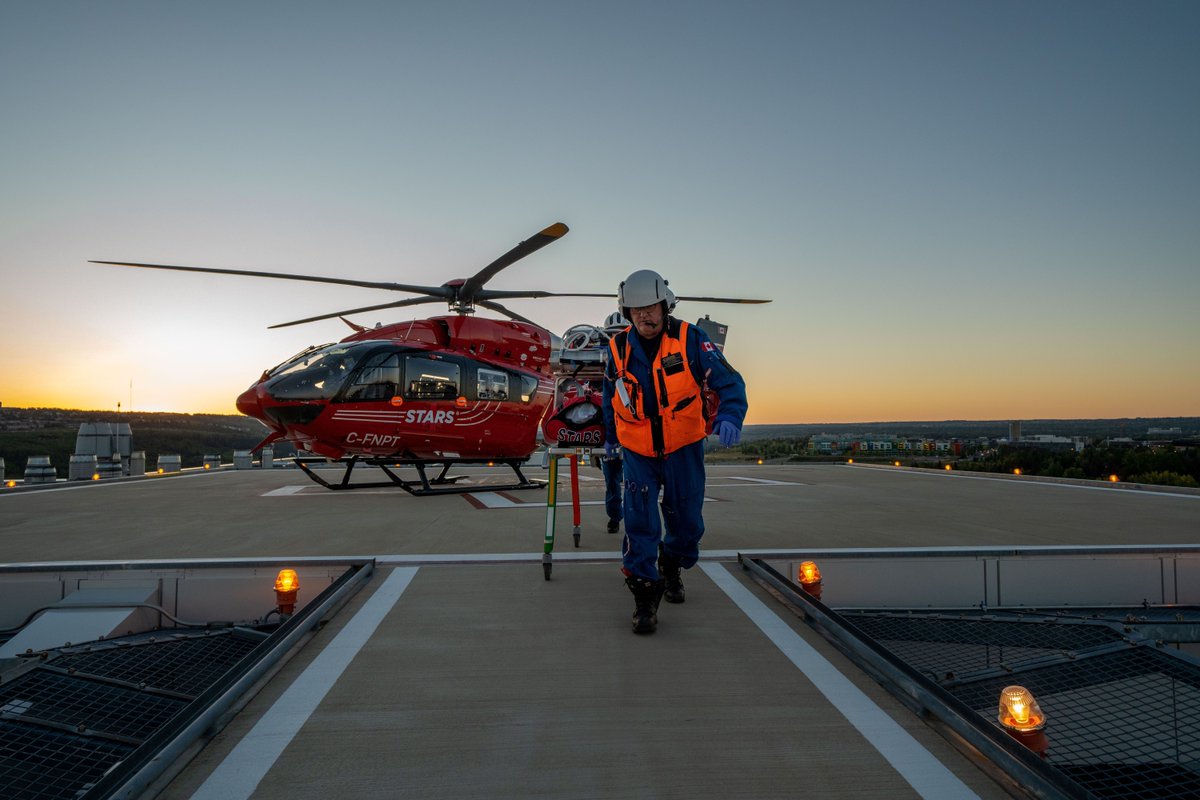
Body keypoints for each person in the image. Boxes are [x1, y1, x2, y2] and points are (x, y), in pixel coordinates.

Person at [602, 269, 747, 634]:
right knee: (639, 522)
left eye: (649, 308)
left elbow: (729, 381)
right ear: (627, 313)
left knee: (686, 523)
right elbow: (610, 397)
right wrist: (609, 436)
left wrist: (731, 414)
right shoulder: (617, 349)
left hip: (683, 445)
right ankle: (644, 596)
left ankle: (672, 562)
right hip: (638, 449)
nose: (644, 316)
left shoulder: (691, 340)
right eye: (635, 311)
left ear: (665, 305)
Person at [599, 311, 629, 534]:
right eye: (612, 336)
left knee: (636, 484)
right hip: (611, 435)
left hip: (634, 436)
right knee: (611, 481)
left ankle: (635, 522)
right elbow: (607, 406)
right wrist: (610, 438)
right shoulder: (604, 369)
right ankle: (615, 517)